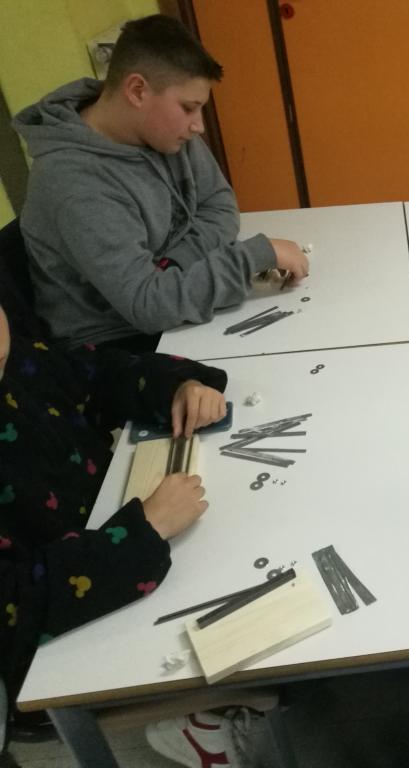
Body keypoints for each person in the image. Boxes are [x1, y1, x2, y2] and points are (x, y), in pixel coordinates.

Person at [12, 14, 309, 351]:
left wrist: (174, 266)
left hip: (171, 302)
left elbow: (219, 205)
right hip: (115, 343)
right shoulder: (74, 184)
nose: (199, 126)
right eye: (188, 108)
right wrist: (252, 257)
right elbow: (148, 306)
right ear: (137, 90)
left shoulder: (161, 131)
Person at [0, 302, 219, 735]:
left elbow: (97, 375)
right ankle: (186, 727)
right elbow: (15, 607)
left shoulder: (17, 360)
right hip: (63, 639)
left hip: (117, 536)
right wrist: (143, 530)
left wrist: (178, 387)